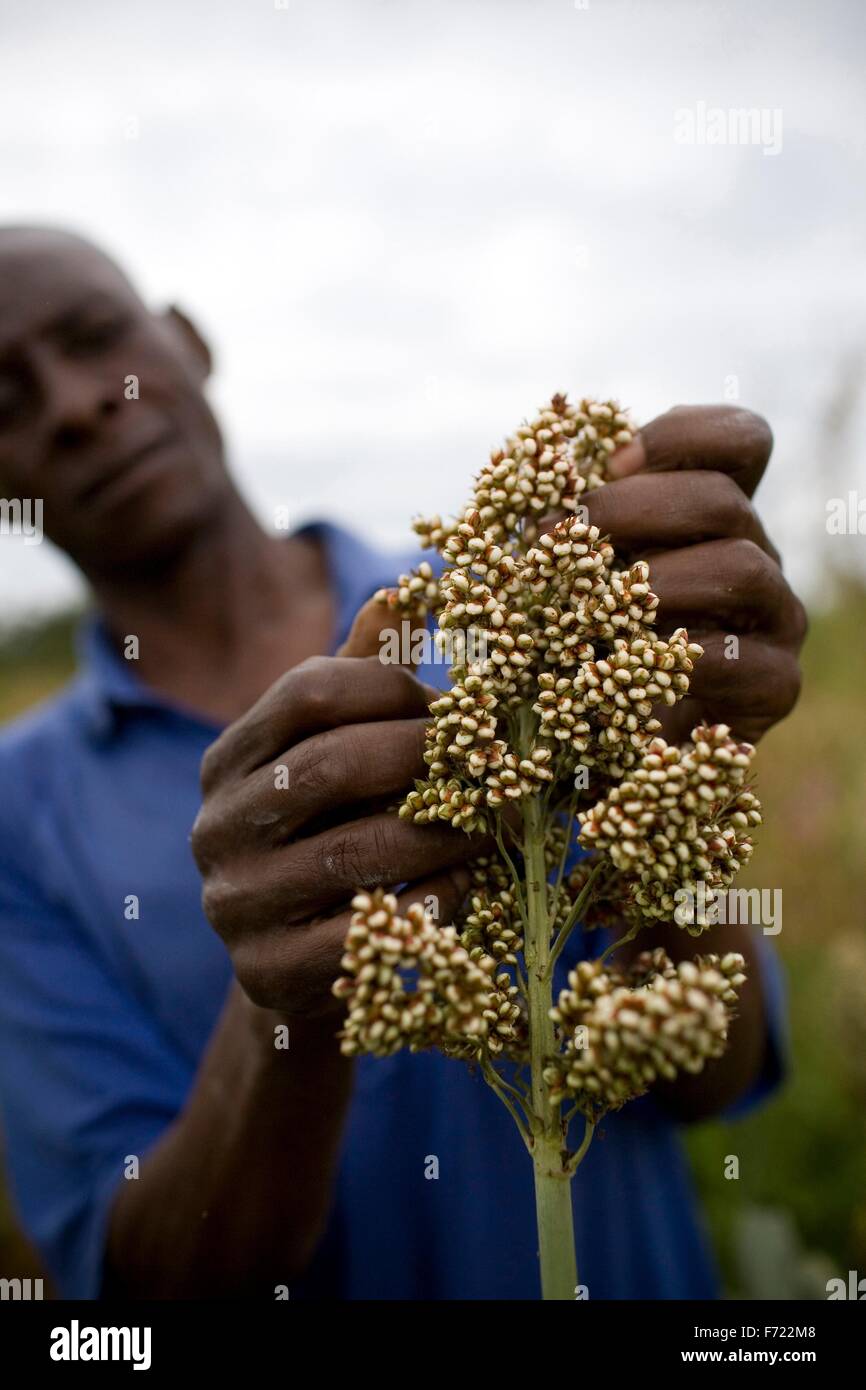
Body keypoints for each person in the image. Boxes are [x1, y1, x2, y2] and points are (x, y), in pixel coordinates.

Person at [0, 226, 807, 1300]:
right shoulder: (16, 816)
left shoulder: (518, 612)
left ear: (186, 341)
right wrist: (289, 1004)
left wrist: (663, 777)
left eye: (97, 339)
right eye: (6, 399)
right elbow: (140, 1286)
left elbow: (718, 1071)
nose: (72, 404)